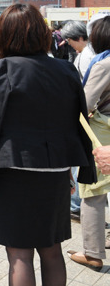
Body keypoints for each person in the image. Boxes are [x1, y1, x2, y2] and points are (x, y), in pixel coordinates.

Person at [0, 3, 95, 286]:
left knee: (20, 252)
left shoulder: (4, 69)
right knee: (51, 249)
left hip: (17, 169)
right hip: (57, 169)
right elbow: (80, 120)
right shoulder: (66, 70)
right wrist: (82, 170)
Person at [68, 15, 110, 271]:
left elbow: (85, 101)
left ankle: (93, 253)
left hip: (101, 134)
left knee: (92, 192)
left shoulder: (104, 64)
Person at [60, 20, 95, 219]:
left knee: (78, 157)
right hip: (84, 112)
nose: (69, 44)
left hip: (82, 113)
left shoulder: (86, 56)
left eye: (70, 40)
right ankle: (75, 202)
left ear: (78, 38)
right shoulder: (88, 54)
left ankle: (75, 203)